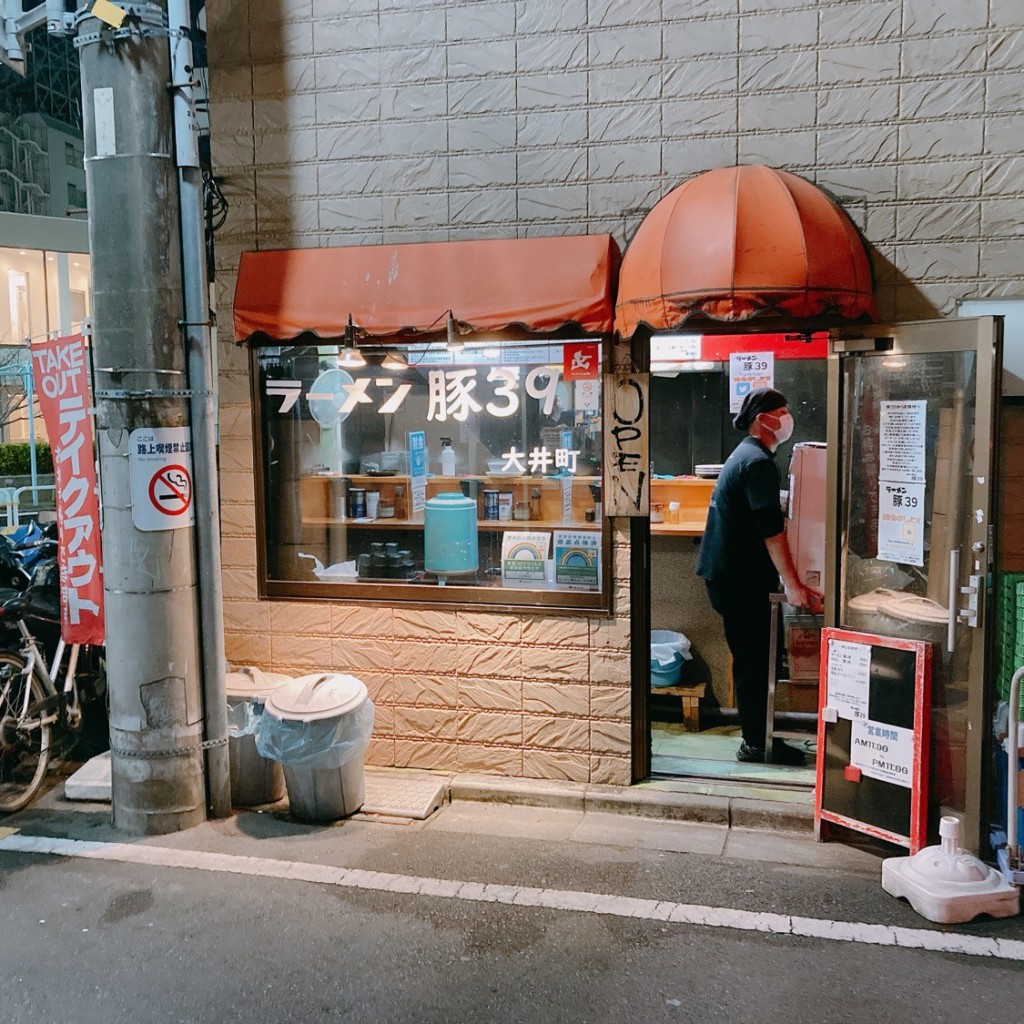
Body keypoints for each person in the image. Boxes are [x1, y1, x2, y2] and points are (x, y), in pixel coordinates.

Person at [696, 387, 823, 765]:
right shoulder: (757, 463)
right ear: (762, 420)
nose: (787, 418)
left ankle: (758, 736)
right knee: (755, 661)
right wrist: (794, 584)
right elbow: (771, 531)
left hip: (729, 576)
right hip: (739, 581)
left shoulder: (749, 456)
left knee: (755, 659)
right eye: (780, 412)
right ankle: (755, 743)